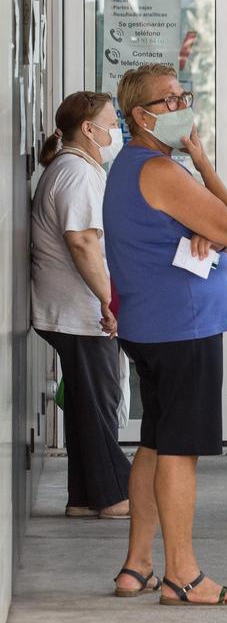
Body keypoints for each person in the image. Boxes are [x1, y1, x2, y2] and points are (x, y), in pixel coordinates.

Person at [105, 63, 227, 605]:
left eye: (182, 95)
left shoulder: (128, 165)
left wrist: (202, 231)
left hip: (151, 324)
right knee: (178, 452)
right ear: (140, 116)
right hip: (181, 327)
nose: (181, 107)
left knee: (154, 441)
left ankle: (136, 565)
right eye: (169, 101)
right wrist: (203, 159)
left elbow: (205, 229)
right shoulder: (162, 171)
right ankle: (182, 575)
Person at [31, 91, 129, 520]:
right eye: (113, 122)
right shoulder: (76, 173)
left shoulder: (75, 168)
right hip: (79, 311)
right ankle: (113, 497)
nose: (118, 130)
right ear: (89, 129)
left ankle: (84, 497)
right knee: (97, 405)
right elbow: (83, 241)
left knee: (89, 403)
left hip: (74, 310)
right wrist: (110, 301)